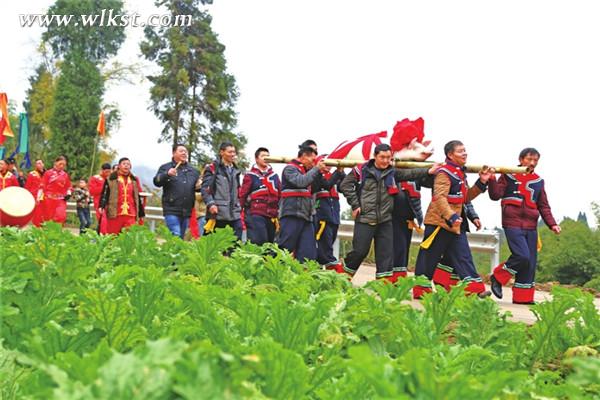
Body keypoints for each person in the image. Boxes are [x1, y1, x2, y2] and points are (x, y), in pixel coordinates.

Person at [340, 144, 437, 281]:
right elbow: (345, 185)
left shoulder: (392, 172)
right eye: (382, 157)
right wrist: (355, 204)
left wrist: (428, 171)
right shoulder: (362, 170)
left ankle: (383, 288)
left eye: (388, 158)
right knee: (360, 252)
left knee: (385, 256)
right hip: (366, 218)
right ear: (375, 157)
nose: (385, 161)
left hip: (385, 220)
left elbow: (410, 173)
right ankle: (342, 277)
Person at [412, 140, 493, 299]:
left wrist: (481, 182)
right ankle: (420, 290)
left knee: (464, 257)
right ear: (450, 155)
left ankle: (475, 291)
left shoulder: (459, 172)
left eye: (465, 150)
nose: (465, 153)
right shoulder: (444, 173)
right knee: (429, 258)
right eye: (460, 151)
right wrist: (452, 216)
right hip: (439, 223)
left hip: (456, 225)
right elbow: (439, 197)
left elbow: (465, 197)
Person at [488, 147, 561, 304]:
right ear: (521, 159)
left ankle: (523, 298)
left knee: (530, 262)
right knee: (522, 256)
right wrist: (492, 179)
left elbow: (544, 206)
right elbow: (495, 195)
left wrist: (552, 224)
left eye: (535, 160)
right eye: (529, 159)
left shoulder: (538, 181)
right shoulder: (507, 175)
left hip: (531, 225)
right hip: (512, 222)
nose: (532, 163)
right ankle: (498, 277)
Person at [277, 145, 327, 262]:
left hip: (306, 216)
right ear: (304, 156)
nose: (314, 163)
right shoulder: (290, 168)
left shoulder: (307, 172)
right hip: (292, 214)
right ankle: (273, 273)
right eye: (313, 160)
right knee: (285, 249)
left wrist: (319, 172)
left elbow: (316, 188)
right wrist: (316, 169)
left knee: (308, 253)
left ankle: (301, 278)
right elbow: (300, 182)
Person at [432, 201, 483, 291]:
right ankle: (474, 289)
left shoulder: (464, 187)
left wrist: (474, 217)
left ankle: (442, 282)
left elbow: (467, 201)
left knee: (451, 257)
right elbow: (440, 200)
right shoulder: (443, 186)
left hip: (460, 225)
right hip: (446, 223)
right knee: (463, 255)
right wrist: (451, 217)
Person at [153, 144, 201, 238]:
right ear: (174, 153)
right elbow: (156, 181)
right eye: (181, 151)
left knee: (180, 237)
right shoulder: (165, 167)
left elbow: (197, 188)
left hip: (187, 210)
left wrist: (200, 186)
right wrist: (167, 174)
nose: (184, 153)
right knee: (176, 234)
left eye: (185, 151)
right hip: (171, 208)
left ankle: (172, 252)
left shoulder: (193, 171)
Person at [391, 177, 432, 280]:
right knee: (397, 249)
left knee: (403, 249)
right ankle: (392, 280)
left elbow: (430, 181)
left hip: (408, 218)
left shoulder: (415, 173)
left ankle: (398, 280)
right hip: (391, 216)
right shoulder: (388, 169)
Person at [200, 142, 243, 240]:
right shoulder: (212, 168)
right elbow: (205, 189)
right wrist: (211, 204)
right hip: (218, 213)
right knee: (214, 245)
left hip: (234, 213)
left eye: (234, 152)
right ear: (222, 152)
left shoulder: (236, 171)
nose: (233, 154)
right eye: (230, 152)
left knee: (236, 243)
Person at [239, 147, 281, 245]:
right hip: (255, 213)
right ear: (256, 159)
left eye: (268, 156)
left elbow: (280, 194)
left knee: (270, 243)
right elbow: (243, 195)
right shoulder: (250, 175)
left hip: (272, 215)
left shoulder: (275, 176)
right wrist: (239, 212)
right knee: (258, 241)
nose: (266, 158)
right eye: (263, 156)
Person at [99, 157, 145, 234]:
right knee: (112, 237)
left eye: (128, 164)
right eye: (124, 164)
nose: (126, 166)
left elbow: (137, 197)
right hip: (115, 213)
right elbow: (105, 193)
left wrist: (141, 212)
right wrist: (101, 205)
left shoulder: (133, 180)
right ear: (119, 166)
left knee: (129, 238)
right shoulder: (111, 179)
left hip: (131, 214)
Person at [314, 161, 346, 271]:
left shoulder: (335, 176)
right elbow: (327, 185)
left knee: (328, 245)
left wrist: (341, 172)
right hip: (323, 217)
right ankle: (333, 269)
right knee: (324, 247)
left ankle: (321, 271)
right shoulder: (317, 176)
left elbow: (344, 187)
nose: (328, 166)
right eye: (326, 163)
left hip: (334, 217)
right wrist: (337, 173)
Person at [40, 156, 72, 225]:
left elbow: (68, 186)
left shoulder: (65, 175)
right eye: (60, 164)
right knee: (48, 218)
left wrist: (69, 193)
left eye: (64, 165)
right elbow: (43, 185)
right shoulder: (48, 173)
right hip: (49, 199)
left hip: (60, 199)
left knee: (61, 216)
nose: (62, 166)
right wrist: (40, 197)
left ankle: (58, 232)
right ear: (55, 163)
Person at [89, 163, 112, 233]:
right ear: (102, 170)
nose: (107, 173)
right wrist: (104, 187)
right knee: (103, 220)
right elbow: (92, 191)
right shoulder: (95, 178)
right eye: (106, 172)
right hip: (99, 202)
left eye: (109, 171)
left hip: (110, 203)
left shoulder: (111, 179)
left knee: (110, 222)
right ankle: (103, 237)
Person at [24, 159, 46, 226]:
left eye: (40, 163)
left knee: (45, 215)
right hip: (35, 198)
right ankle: (37, 229)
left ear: (43, 164)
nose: (39, 165)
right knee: (37, 215)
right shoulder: (32, 174)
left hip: (46, 198)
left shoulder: (48, 174)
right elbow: (27, 187)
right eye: (37, 163)